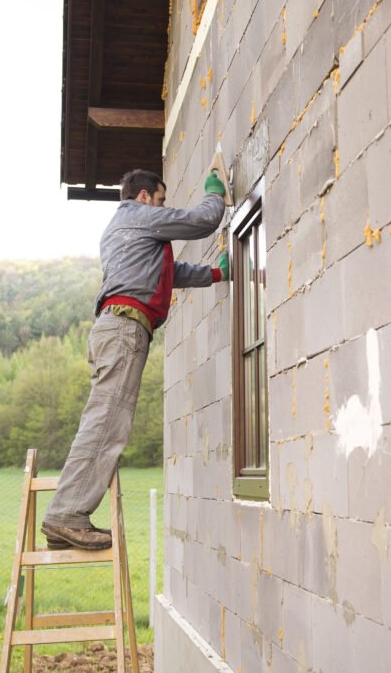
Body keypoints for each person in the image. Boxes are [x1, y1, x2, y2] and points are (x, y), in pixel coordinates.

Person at [41, 168, 229, 550]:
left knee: (106, 421)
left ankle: (66, 516)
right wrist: (215, 195)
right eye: (161, 200)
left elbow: (166, 272)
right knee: (106, 424)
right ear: (144, 197)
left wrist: (213, 273)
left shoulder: (127, 230)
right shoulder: (136, 215)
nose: (163, 207)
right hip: (124, 330)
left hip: (118, 330)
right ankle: (65, 516)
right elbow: (201, 221)